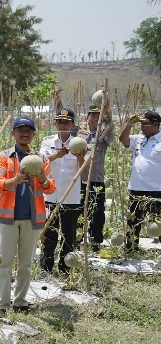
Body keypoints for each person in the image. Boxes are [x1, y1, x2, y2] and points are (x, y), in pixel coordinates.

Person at [0, 116, 56, 315]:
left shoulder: (41, 159)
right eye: (20, 130)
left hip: (32, 218)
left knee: (26, 264)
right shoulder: (3, 157)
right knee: (5, 262)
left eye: (29, 130)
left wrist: (42, 178)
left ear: (33, 134)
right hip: (7, 218)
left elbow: (50, 188)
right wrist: (16, 180)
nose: (25, 133)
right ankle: (2, 304)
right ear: (13, 133)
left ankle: (19, 301)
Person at [39, 108, 85, 274]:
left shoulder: (79, 142)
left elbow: (83, 169)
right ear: (55, 123)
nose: (63, 124)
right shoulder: (47, 141)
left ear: (73, 124)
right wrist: (57, 155)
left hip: (70, 197)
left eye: (67, 122)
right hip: (50, 195)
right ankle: (46, 266)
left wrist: (80, 155)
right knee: (49, 233)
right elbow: (40, 161)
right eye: (60, 121)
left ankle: (65, 268)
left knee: (69, 235)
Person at [119, 110, 161, 253]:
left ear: (156, 124)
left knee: (157, 223)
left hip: (156, 189)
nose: (142, 127)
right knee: (133, 221)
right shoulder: (139, 138)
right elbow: (123, 139)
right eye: (141, 124)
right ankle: (131, 249)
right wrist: (130, 124)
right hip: (136, 187)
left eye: (146, 124)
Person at [78, 105, 114, 253]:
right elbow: (64, 123)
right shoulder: (79, 133)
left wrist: (106, 113)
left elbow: (110, 123)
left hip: (97, 180)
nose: (94, 118)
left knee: (97, 212)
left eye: (97, 116)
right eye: (92, 115)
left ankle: (96, 242)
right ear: (87, 118)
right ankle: (76, 239)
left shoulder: (104, 133)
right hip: (79, 179)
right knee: (78, 211)